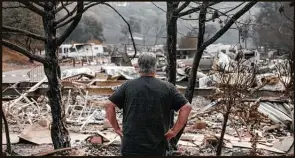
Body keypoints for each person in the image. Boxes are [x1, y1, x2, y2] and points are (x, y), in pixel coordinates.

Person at [105, 52, 192, 156]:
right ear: (155, 66)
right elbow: (186, 107)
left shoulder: (127, 86)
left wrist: (117, 128)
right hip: (156, 147)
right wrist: (174, 131)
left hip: (131, 146)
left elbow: (109, 105)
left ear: (138, 66)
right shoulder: (168, 88)